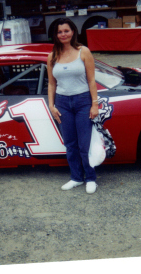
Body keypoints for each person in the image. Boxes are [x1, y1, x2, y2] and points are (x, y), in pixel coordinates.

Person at [47, 18, 99, 194]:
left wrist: (94, 104)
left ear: (73, 32)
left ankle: (90, 178)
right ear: (55, 35)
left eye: (66, 31)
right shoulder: (52, 56)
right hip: (63, 103)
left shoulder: (83, 52)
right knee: (70, 144)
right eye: (60, 32)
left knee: (84, 144)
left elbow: (92, 80)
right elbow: (51, 84)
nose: (63, 34)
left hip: (83, 101)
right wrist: (51, 106)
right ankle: (76, 177)